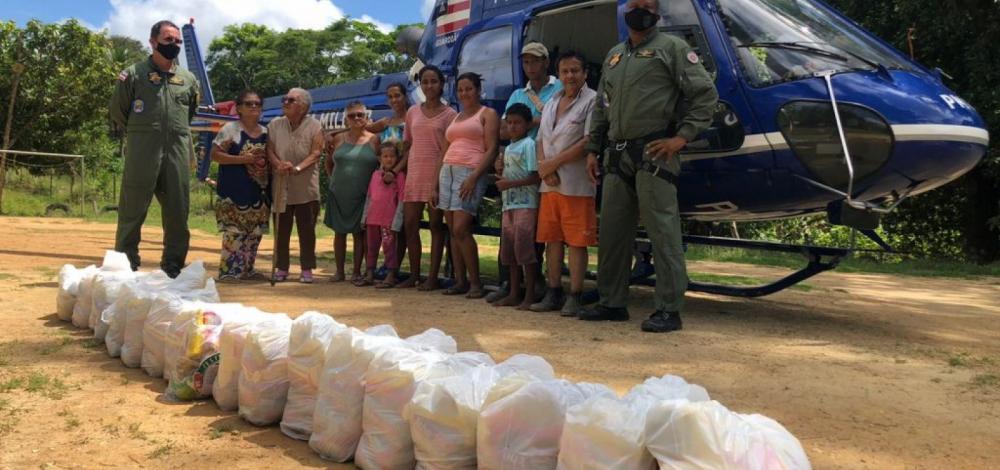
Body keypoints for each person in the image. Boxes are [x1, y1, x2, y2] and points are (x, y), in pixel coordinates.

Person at [580, 0, 719, 332]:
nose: (639, 10)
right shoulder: (615, 55)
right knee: (612, 234)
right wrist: (592, 149)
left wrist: (681, 138)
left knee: (663, 233)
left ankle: (669, 309)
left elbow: (705, 95)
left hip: (655, 154)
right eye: (635, 4)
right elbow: (601, 106)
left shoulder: (672, 48)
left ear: (657, 13)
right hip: (617, 156)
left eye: (647, 5)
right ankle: (612, 302)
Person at [109, 20, 199, 277]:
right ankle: (127, 263)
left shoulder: (188, 79)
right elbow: (118, 111)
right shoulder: (133, 74)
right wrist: (144, 132)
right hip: (143, 151)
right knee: (132, 208)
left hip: (177, 151)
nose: (174, 45)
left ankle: (173, 265)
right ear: (153, 42)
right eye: (168, 40)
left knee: (178, 210)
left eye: (177, 41)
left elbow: (190, 113)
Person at [489, 41, 564, 303]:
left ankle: (536, 287)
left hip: (551, 164)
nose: (530, 66)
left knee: (536, 231)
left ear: (546, 62)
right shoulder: (518, 94)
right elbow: (503, 130)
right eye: (526, 61)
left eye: (535, 61)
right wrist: (534, 122)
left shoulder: (560, 87)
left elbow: (563, 120)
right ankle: (511, 285)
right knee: (512, 233)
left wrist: (529, 122)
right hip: (517, 167)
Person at [530, 51, 599, 317]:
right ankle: (553, 291)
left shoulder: (592, 100)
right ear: (558, 75)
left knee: (577, 241)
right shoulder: (552, 101)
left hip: (576, 183)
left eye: (575, 71)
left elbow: (587, 141)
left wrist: (552, 164)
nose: (570, 76)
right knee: (552, 239)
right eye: (565, 71)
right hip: (550, 184)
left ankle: (576, 294)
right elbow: (540, 139)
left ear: (585, 73)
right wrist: (543, 167)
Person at [434, 72, 500, 299]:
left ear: (478, 90)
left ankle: (476, 283)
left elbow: (492, 148)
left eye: (469, 89)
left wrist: (474, 177)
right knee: (452, 230)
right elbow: (443, 151)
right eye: (461, 90)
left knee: (461, 228)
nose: (464, 93)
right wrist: (435, 183)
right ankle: (460, 281)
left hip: (470, 171)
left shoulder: (487, 114)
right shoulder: (456, 117)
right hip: (447, 171)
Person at [397, 65, 457, 290]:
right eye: (425, 82)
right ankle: (414, 275)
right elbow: (408, 144)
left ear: (442, 84)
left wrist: (437, 183)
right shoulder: (412, 112)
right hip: (415, 175)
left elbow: (448, 149)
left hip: (437, 176)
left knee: (435, 226)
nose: (429, 86)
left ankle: (432, 277)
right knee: (410, 225)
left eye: (434, 81)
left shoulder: (450, 115)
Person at [210, 90, 270, 281]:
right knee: (234, 232)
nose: (253, 107)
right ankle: (229, 271)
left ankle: (247, 270)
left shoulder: (266, 132)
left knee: (254, 232)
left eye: (257, 103)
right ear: (239, 108)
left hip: (258, 191)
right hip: (233, 190)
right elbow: (215, 155)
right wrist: (243, 159)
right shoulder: (230, 130)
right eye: (248, 103)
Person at [267, 87, 325, 283]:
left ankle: (307, 268)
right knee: (281, 230)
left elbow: (316, 153)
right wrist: (278, 164)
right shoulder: (275, 124)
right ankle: (282, 267)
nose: (285, 102)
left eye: (290, 100)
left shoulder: (315, 126)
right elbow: (269, 150)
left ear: (303, 106)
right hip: (281, 184)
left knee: (307, 230)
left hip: (305, 187)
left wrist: (298, 168)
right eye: (285, 99)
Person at [325, 101, 380, 284]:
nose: (356, 118)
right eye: (351, 115)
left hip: (364, 195)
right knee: (339, 233)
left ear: (366, 117)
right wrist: (333, 180)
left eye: (360, 115)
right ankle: (339, 272)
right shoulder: (337, 139)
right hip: (338, 194)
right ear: (346, 119)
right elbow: (329, 162)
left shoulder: (375, 140)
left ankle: (356, 271)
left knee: (359, 234)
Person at [493, 103, 540, 309]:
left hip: (526, 204)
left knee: (525, 251)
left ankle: (529, 295)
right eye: (509, 122)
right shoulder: (509, 148)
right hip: (509, 205)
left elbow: (535, 176)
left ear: (528, 125)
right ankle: (514, 292)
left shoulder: (529, 145)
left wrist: (509, 184)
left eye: (517, 123)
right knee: (511, 251)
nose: (512, 127)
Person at [366, 82, 409, 265]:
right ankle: (386, 266)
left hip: (404, 177)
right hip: (386, 180)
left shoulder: (412, 119)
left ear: (405, 96)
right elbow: (366, 130)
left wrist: (395, 171)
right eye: (390, 97)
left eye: (397, 95)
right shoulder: (386, 122)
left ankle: (393, 267)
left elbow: (409, 151)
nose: (394, 100)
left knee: (402, 225)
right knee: (386, 224)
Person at [360, 140, 407, 288]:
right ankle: (369, 274)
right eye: (385, 156)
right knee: (371, 247)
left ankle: (391, 275)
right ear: (379, 158)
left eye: (392, 156)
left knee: (389, 248)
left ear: (397, 158)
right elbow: (369, 197)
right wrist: (364, 217)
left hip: (388, 221)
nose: (389, 159)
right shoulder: (375, 175)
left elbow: (402, 199)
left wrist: (397, 222)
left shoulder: (399, 176)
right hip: (372, 219)